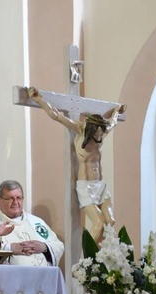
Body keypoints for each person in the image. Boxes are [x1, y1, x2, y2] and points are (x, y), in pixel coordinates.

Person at [27, 86, 125, 243]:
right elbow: (56, 116)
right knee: (99, 223)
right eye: (96, 134)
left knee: (110, 221)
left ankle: (101, 257)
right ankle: (88, 260)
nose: (99, 137)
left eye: (101, 134)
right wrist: (39, 99)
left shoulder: (102, 132)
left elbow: (113, 122)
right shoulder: (80, 129)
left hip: (100, 184)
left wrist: (117, 112)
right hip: (85, 186)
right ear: (90, 129)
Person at [0, 180, 64, 267]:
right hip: (9, 279)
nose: (15, 202)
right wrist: (9, 248)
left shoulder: (35, 222)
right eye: (10, 198)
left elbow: (58, 246)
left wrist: (44, 247)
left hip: (42, 278)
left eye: (18, 198)